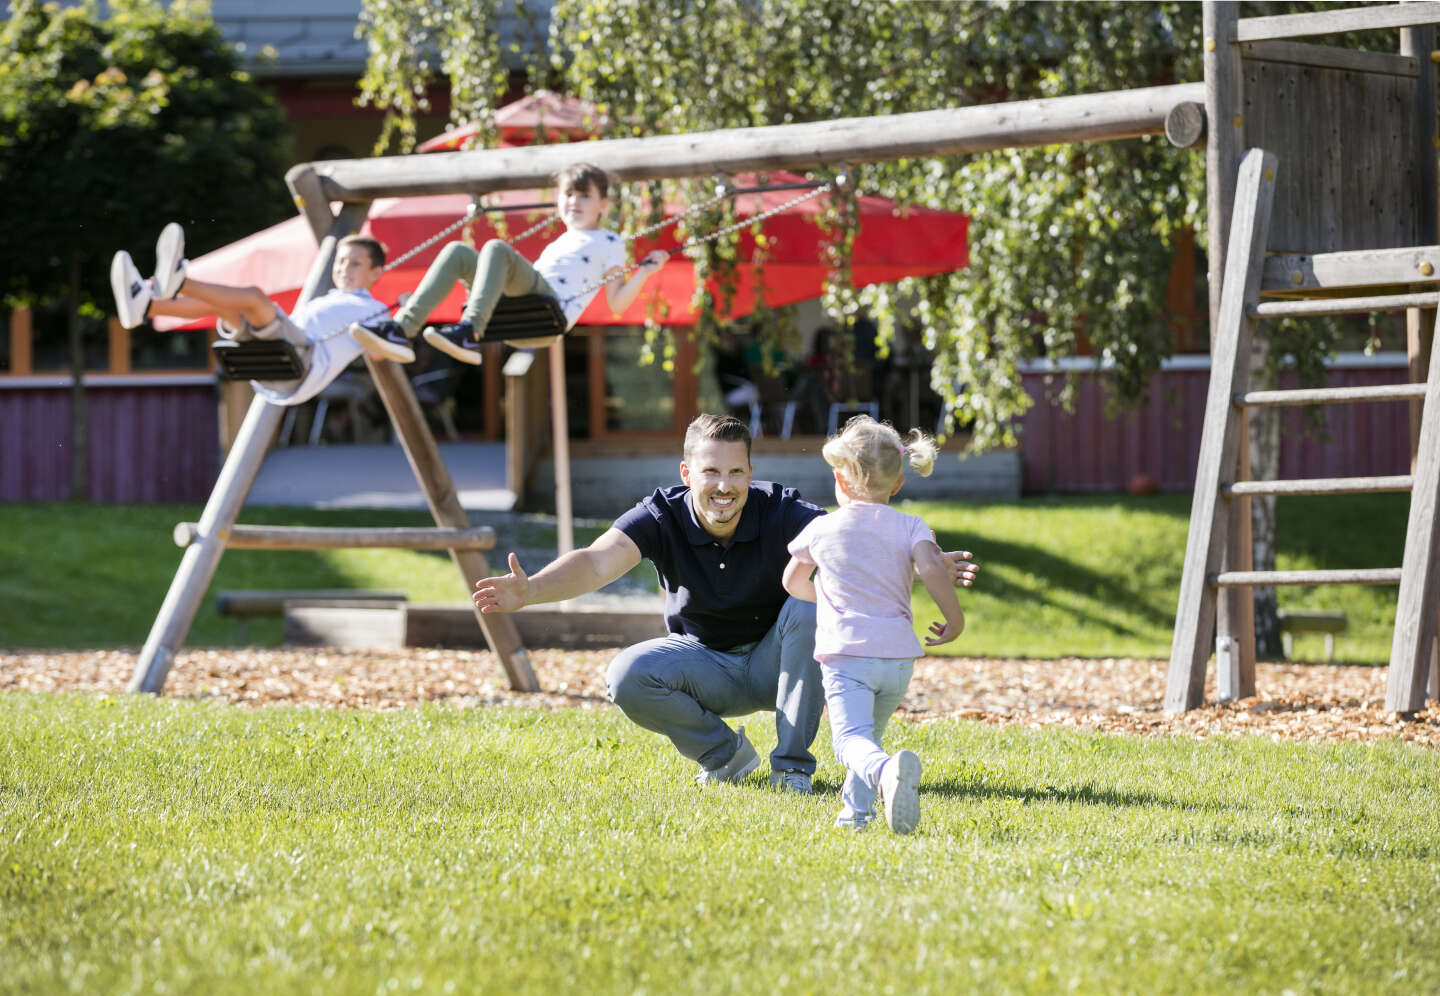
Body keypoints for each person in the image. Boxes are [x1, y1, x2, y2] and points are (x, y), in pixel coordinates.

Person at [471, 412, 979, 794]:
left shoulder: (781, 510)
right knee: (626, 674)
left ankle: (792, 771)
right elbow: (598, 561)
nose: (724, 486)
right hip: (702, 663)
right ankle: (726, 757)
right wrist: (533, 589)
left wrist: (922, 565)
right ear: (687, 472)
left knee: (809, 605)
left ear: (750, 472)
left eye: (736, 473)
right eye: (711, 472)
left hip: (776, 661)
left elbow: (855, 545)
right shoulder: (659, 515)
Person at [781, 416, 965, 834]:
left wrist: (825, 602)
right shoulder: (911, 525)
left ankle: (884, 776)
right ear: (898, 483)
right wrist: (955, 619)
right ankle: (855, 815)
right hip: (898, 659)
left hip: (848, 656)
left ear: (840, 481)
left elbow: (792, 581)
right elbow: (933, 569)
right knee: (869, 736)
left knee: (850, 743)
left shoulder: (822, 528)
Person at [351, 162, 668, 366]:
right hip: (518, 310)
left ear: (603, 204)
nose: (574, 202)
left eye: (584, 195)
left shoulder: (608, 241)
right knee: (458, 253)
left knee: (496, 249)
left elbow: (616, 303)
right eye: (568, 195)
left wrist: (644, 271)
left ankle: (468, 333)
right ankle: (403, 329)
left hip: (548, 310)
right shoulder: (560, 241)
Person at [110, 225, 390, 407]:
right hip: (279, 359)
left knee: (255, 298)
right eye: (340, 261)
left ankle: (180, 281)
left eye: (355, 263)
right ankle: (146, 307)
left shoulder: (373, 310)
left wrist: (404, 315)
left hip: (300, 361)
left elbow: (380, 353)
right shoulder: (332, 299)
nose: (344, 269)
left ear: (376, 272)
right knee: (223, 307)